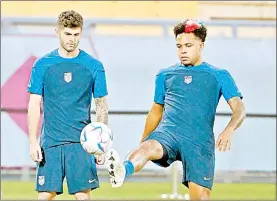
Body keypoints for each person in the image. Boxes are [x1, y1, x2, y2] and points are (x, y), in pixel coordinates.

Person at [106, 19, 246, 200]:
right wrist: (143, 144)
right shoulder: (165, 75)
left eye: (188, 45)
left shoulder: (218, 75)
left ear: (201, 46)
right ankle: (122, 170)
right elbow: (155, 111)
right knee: (147, 148)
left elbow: (239, 108)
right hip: (168, 134)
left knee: (201, 197)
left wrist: (229, 129)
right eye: (179, 46)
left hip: (199, 141)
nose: (183, 50)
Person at [27, 10, 108, 200]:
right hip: (51, 142)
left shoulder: (93, 65)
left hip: (81, 144)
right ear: (57, 32)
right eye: (67, 34)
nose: (72, 39)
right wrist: (33, 141)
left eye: (76, 34)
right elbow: (34, 104)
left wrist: (102, 144)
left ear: (81, 33)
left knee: (83, 196)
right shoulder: (42, 65)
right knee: (45, 196)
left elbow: (101, 106)